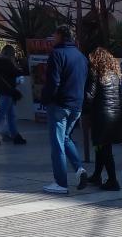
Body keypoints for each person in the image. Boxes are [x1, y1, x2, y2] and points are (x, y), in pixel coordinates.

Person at [41, 25, 88, 195]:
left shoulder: (57, 54)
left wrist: (45, 99)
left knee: (57, 144)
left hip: (59, 105)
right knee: (66, 138)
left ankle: (61, 183)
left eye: (54, 35)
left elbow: (53, 82)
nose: (53, 38)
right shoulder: (81, 56)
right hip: (76, 105)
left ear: (60, 36)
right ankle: (79, 169)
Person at [83, 47, 122, 191]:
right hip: (115, 116)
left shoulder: (95, 73)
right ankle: (96, 175)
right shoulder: (115, 74)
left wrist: (84, 109)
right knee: (100, 147)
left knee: (104, 149)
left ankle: (113, 181)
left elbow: (90, 95)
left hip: (101, 116)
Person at [0, 45, 27, 145]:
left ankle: (15, 135)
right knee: (3, 114)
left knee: (10, 115)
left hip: (2, 91)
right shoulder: (7, 63)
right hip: (8, 92)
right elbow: (16, 73)